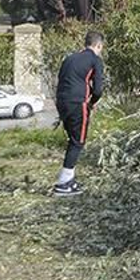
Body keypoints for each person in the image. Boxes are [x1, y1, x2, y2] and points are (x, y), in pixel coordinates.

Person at [52, 30, 106, 197]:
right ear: (98, 45)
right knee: (78, 142)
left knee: (72, 140)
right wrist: (91, 102)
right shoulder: (95, 60)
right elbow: (98, 88)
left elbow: (62, 79)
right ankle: (63, 183)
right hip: (78, 103)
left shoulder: (69, 58)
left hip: (62, 101)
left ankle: (70, 180)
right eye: (101, 48)